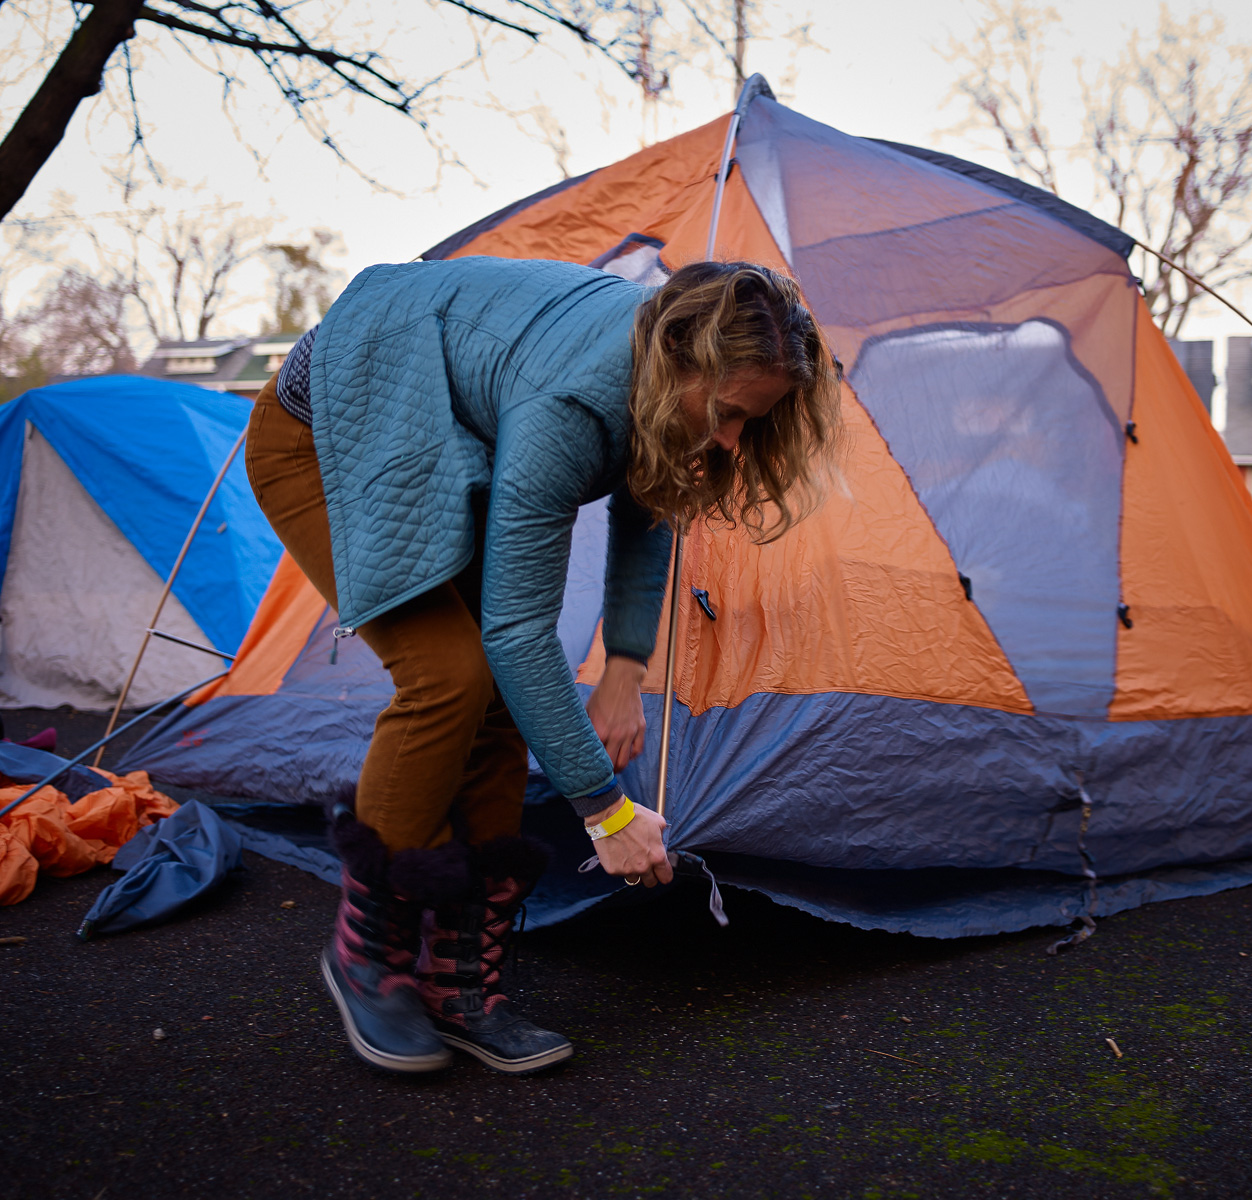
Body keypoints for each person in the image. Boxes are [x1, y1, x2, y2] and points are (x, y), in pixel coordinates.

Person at [245, 256, 839, 1076]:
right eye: (731, 414)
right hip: (327, 433)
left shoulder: (661, 372)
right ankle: (367, 954)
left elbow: (651, 505)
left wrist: (626, 667)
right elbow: (519, 632)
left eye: (753, 422)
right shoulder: (572, 405)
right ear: (678, 363)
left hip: (442, 434)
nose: (735, 441)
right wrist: (607, 813)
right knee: (449, 674)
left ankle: (453, 981)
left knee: (495, 700)